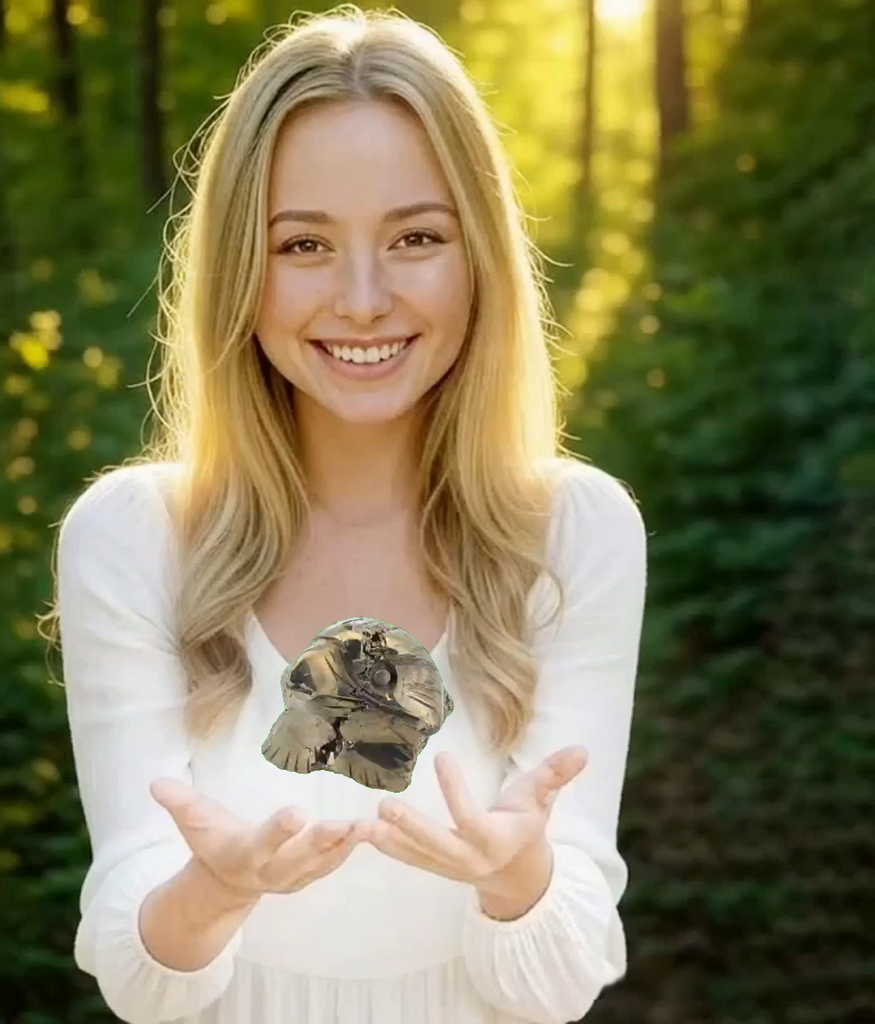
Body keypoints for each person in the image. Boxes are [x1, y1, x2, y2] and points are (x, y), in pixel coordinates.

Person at [45, 5, 648, 1022]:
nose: (363, 298)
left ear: (480, 257)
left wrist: (517, 878)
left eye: (415, 237)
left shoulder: (574, 533)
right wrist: (215, 891)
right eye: (303, 244)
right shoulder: (133, 539)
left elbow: (559, 982)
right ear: (239, 268)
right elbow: (140, 980)